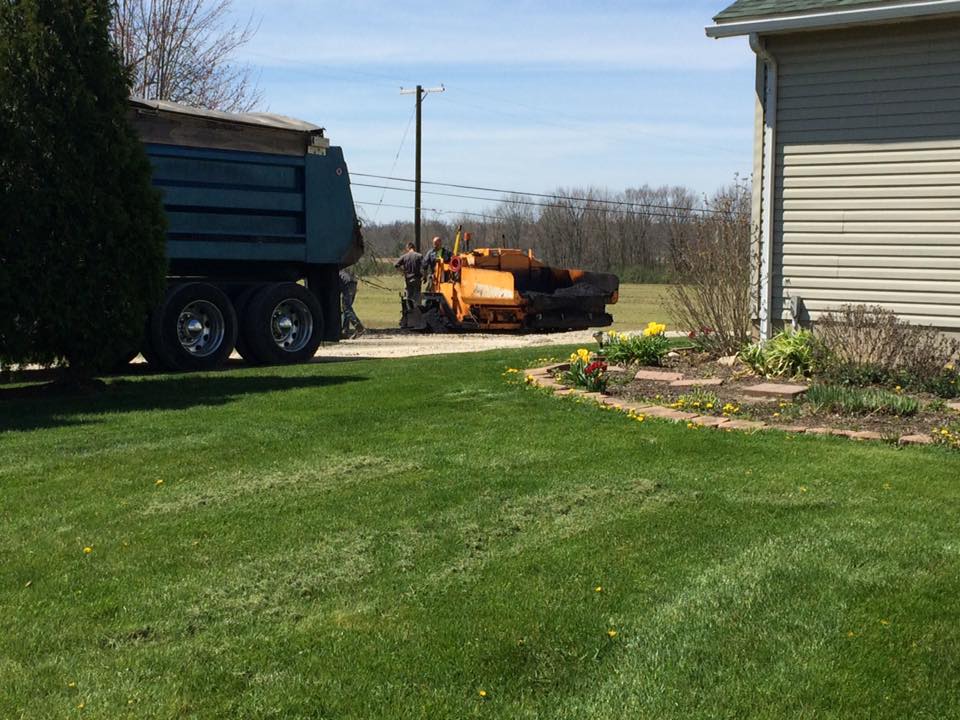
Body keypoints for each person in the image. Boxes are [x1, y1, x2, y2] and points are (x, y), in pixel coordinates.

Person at [338, 267, 365, 338]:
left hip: (348, 284)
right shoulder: (341, 271)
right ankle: (344, 331)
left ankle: (359, 327)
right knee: (347, 309)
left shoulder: (334, 273)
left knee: (346, 308)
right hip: (353, 283)